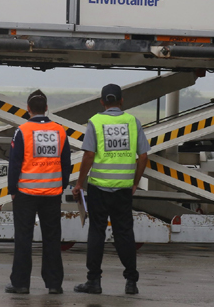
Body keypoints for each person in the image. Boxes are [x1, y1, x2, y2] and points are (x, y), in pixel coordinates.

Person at [72, 83, 149, 295]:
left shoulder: (96, 122)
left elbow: (88, 155)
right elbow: (143, 156)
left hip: (99, 187)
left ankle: (94, 282)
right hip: (124, 188)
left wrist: (79, 183)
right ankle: (131, 281)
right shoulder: (132, 122)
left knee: (96, 232)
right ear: (121, 101)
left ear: (102, 102)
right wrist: (135, 182)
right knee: (124, 233)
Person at [5, 90, 71, 295]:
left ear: (28, 109)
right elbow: (66, 163)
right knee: (52, 238)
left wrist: (12, 190)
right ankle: (54, 284)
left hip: (26, 193)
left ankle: (21, 283)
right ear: (47, 108)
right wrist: (60, 186)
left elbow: (15, 163)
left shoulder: (22, 131)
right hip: (52, 193)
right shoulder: (60, 131)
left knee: (23, 238)